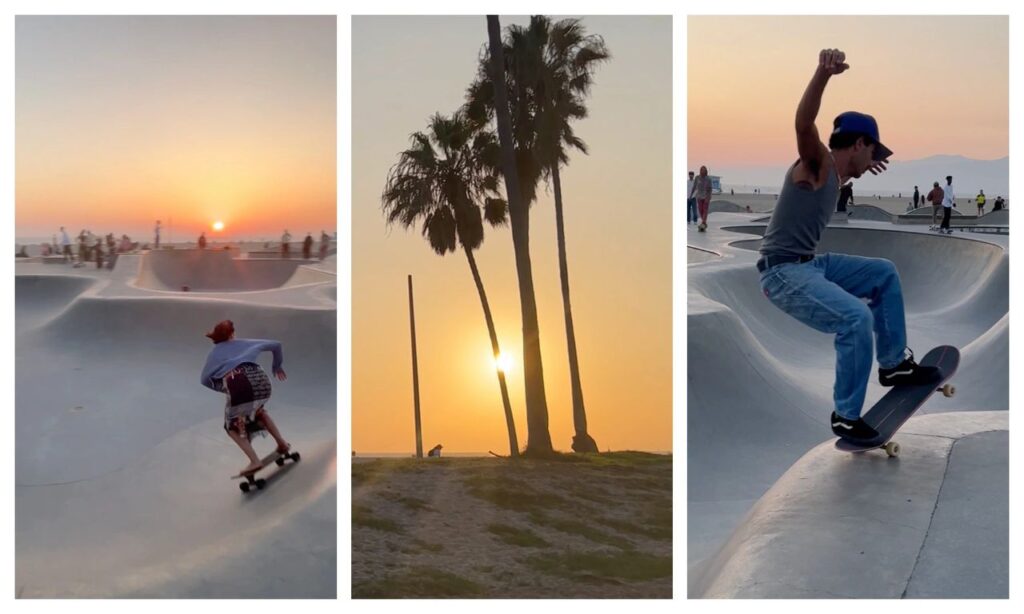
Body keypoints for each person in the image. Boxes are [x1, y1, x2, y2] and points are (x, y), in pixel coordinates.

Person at [757, 49, 939, 442]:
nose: (875, 162)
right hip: (782, 272)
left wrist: (858, 166)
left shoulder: (838, 177)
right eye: (874, 152)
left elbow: (846, 169)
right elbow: (803, 123)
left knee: (883, 273)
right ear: (858, 143)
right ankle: (845, 415)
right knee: (855, 318)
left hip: (810, 265)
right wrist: (822, 74)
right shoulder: (817, 163)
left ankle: (893, 365)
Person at [199, 320, 291, 475]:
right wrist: (277, 366)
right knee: (260, 411)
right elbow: (276, 344)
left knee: (231, 426)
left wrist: (225, 387)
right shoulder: (246, 343)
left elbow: (204, 379)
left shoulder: (214, 353)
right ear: (232, 334)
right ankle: (282, 444)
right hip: (261, 380)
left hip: (238, 383)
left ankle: (255, 461)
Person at [693, 166, 713, 231]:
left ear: (706, 171)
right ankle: (704, 223)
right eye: (702, 170)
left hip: (706, 196)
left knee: (705, 209)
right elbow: (694, 186)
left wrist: (709, 197)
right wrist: (690, 195)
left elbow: (710, 189)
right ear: (700, 171)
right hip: (699, 196)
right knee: (700, 210)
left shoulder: (708, 179)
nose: (703, 171)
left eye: (704, 170)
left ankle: (703, 223)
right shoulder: (697, 178)